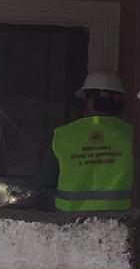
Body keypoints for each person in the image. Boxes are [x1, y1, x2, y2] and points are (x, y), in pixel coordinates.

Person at [49, 69, 134, 213]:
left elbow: (45, 181)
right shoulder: (132, 134)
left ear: (90, 102)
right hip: (118, 223)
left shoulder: (64, 135)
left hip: (68, 223)